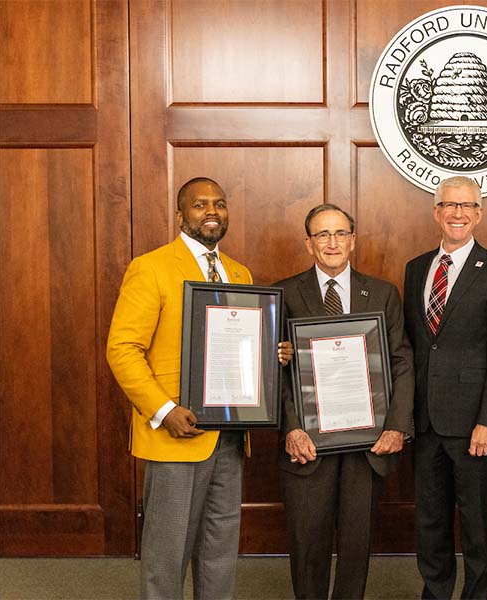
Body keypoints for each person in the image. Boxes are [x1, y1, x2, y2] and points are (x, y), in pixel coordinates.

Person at [107, 177, 288, 599]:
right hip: (177, 431)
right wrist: (163, 409)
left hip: (230, 434)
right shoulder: (150, 267)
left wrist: (269, 353)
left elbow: (240, 344)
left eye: (220, 204)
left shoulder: (240, 273)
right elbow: (122, 349)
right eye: (200, 204)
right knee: (166, 553)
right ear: (180, 214)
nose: (212, 211)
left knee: (220, 549)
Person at [275, 203, 414, 599]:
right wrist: (292, 427)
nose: (332, 242)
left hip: (365, 443)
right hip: (307, 445)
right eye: (322, 234)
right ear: (308, 244)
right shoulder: (284, 293)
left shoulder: (383, 293)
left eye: (340, 234)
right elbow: (276, 371)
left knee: (356, 545)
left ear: (353, 240)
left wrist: (396, 426)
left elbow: (402, 360)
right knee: (307, 545)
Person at [403, 176, 487, 599]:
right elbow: (414, 347)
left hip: (474, 425)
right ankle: (435, 593)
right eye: (449, 205)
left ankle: (478, 594)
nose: (457, 213)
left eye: (466, 206)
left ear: (479, 213)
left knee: (475, 522)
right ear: (436, 212)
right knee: (430, 519)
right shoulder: (416, 268)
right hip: (425, 421)